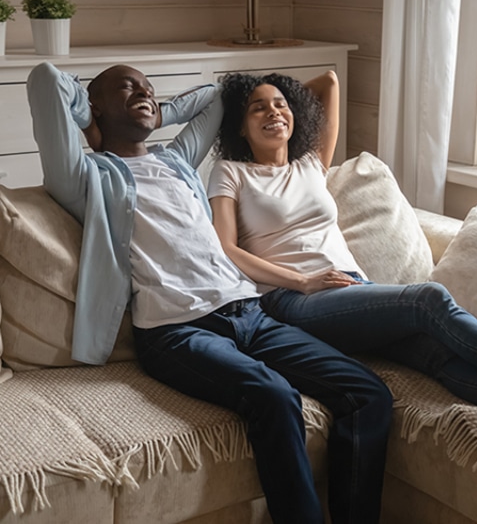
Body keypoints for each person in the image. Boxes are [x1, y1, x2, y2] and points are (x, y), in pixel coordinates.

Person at [26, 61, 394, 524]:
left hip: (249, 314)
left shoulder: (176, 159)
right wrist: (90, 122)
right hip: (176, 331)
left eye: (149, 87)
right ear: (96, 105)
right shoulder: (86, 175)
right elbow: (45, 80)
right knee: (275, 397)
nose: (144, 92)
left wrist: (159, 113)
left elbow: (219, 97)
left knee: (369, 395)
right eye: (127, 88)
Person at [207, 70, 477, 450]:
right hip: (292, 300)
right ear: (239, 127)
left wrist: (275, 91)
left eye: (281, 104)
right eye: (257, 108)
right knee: (428, 300)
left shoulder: (311, 164)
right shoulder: (231, 173)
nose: (273, 112)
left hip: (352, 289)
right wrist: (302, 281)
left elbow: (330, 82)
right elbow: (228, 248)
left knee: (433, 353)